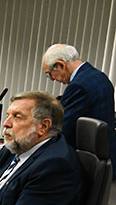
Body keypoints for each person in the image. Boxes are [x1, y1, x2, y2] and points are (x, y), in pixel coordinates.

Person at [41, 43, 116, 176]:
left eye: (49, 74)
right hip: (105, 156)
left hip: (87, 165)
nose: (52, 79)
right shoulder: (98, 76)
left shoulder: (79, 86)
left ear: (61, 65)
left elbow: (63, 128)